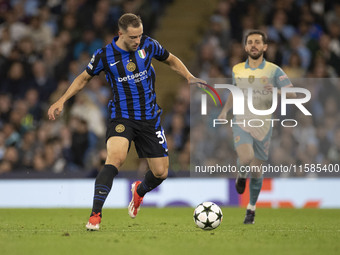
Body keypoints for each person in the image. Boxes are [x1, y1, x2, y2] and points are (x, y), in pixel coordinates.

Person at [48, 13, 205, 231]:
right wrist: (62, 100)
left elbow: (170, 59)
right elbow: (83, 78)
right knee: (116, 158)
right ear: (120, 33)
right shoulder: (105, 55)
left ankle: (139, 191)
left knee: (161, 173)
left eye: (139, 35)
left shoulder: (148, 44)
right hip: (122, 116)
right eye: (133, 37)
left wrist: (189, 76)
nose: (137, 40)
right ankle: (95, 215)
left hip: (149, 118)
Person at [218, 30, 296, 224]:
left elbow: (293, 94)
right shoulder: (237, 69)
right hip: (241, 121)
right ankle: (241, 174)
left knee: (258, 172)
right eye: (250, 42)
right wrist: (225, 111)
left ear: (265, 47)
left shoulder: (274, 70)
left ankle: (251, 209)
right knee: (246, 157)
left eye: (257, 42)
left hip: (264, 125)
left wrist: (276, 91)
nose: (253, 45)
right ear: (245, 47)